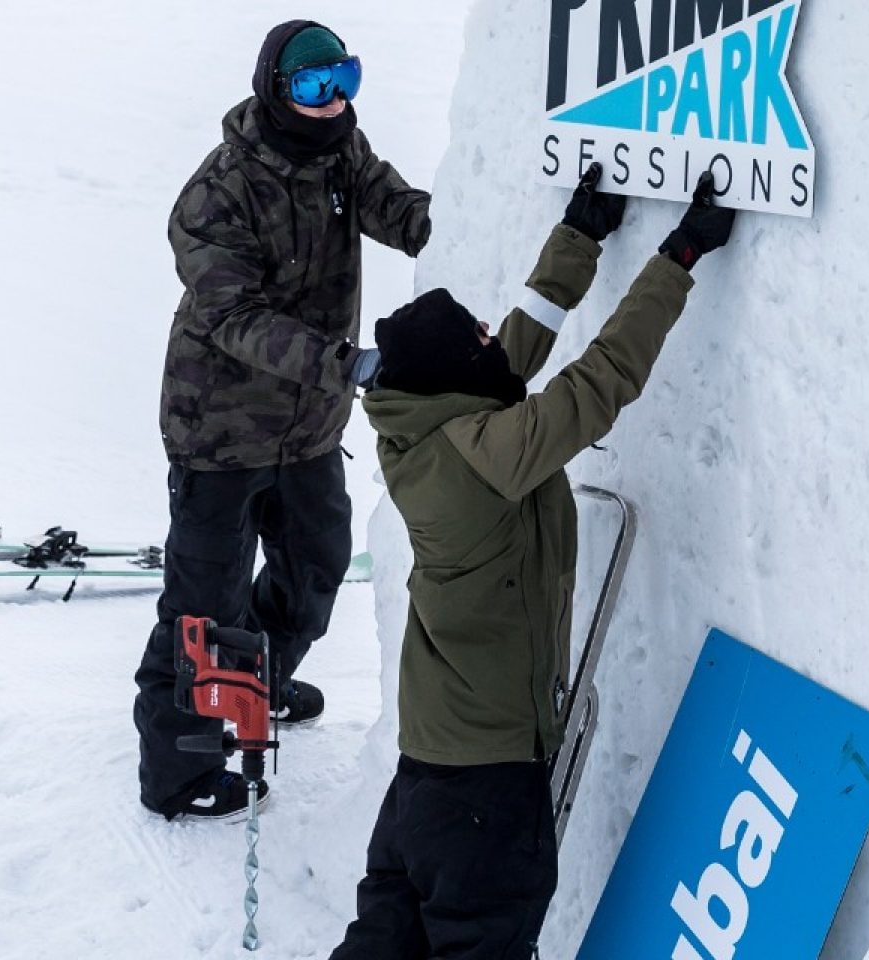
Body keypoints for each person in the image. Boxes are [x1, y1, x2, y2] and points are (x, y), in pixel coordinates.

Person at [326, 165, 736, 958]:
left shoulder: (426, 424)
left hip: (427, 782)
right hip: (485, 789)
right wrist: (678, 254)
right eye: (476, 341)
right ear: (453, 375)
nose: (492, 340)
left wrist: (579, 236)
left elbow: (511, 348)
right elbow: (601, 380)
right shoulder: (485, 456)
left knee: (383, 944)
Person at [133, 19, 431, 821]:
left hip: (308, 430)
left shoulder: (343, 157)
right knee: (203, 606)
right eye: (312, 87)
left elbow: (399, 210)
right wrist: (350, 364)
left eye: (346, 81)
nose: (331, 103)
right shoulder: (217, 191)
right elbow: (234, 315)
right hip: (218, 434)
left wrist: (466, 227)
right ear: (276, 87)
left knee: (315, 572)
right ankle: (178, 768)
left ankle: (253, 680)